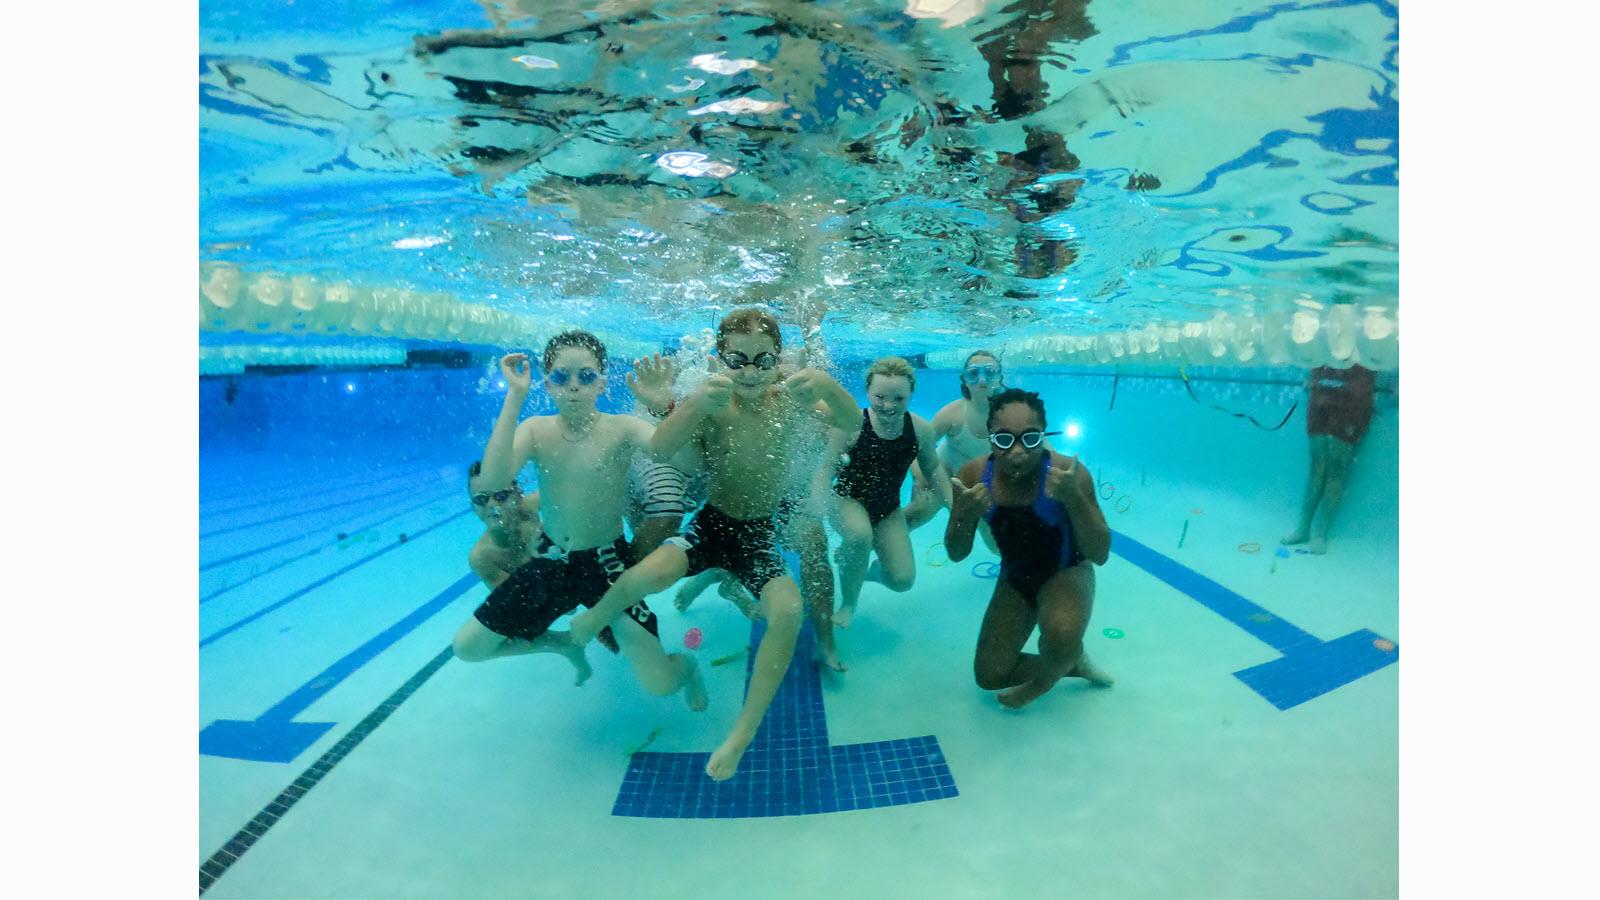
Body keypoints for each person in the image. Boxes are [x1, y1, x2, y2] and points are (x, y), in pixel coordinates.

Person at [568, 308, 860, 781]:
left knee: (787, 610)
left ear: (779, 360)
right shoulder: (711, 404)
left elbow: (850, 422)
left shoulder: (793, 402)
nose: (749, 372)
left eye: (763, 361)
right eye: (737, 359)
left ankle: (742, 732)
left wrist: (826, 386)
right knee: (652, 570)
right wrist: (681, 404)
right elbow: (661, 450)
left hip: (757, 535)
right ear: (719, 358)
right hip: (712, 524)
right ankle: (594, 617)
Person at [451, 332, 707, 712]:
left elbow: (685, 463)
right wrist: (515, 396)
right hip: (553, 561)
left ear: (602, 382)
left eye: (585, 377)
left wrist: (663, 408)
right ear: (548, 383)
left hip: (607, 564)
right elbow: (491, 481)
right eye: (561, 377)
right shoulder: (536, 430)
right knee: (468, 647)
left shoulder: (622, 428)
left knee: (660, 683)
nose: (573, 387)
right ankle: (558, 644)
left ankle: (690, 670)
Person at [945, 388, 1114, 710]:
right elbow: (956, 552)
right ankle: (1071, 661)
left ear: (1044, 434)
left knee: (1060, 631)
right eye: (1005, 440)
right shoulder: (974, 474)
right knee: (990, 675)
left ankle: (1050, 672)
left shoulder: (1068, 475)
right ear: (989, 436)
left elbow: (1100, 553)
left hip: (1067, 572)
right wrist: (963, 516)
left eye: (1031, 438)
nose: (1019, 452)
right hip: (1015, 576)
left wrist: (1072, 499)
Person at [824, 356, 950, 631]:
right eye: (880, 397)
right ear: (868, 391)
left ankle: (869, 571)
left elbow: (934, 470)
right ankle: (849, 602)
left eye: (898, 398)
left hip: (887, 508)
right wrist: (814, 503)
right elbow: (824, 472)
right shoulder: (851, 425)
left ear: (910, 395)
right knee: (859, 535)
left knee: (902, 580)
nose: (888, 406)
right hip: (846, 499)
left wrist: (955, 507)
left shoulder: (919, 429)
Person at [904, 350, 1005, 553]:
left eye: (990, 372)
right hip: (944, 480)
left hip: (983, 488)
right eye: (973, 373)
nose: (982, 379)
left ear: (1000, 378)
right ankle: (866, 550)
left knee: (998, 546)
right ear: (964, 380)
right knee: (913, 516)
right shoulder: (954, 413)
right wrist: (918, 478)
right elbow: (917, 449)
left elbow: (1041, 447)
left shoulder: (1010, 413)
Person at [1282, 363, 1376, 554]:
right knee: (1317, 463)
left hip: (1354, 385)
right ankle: (1303, 528)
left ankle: (1321, 533)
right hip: (1323, 382)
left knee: (1337, 465)